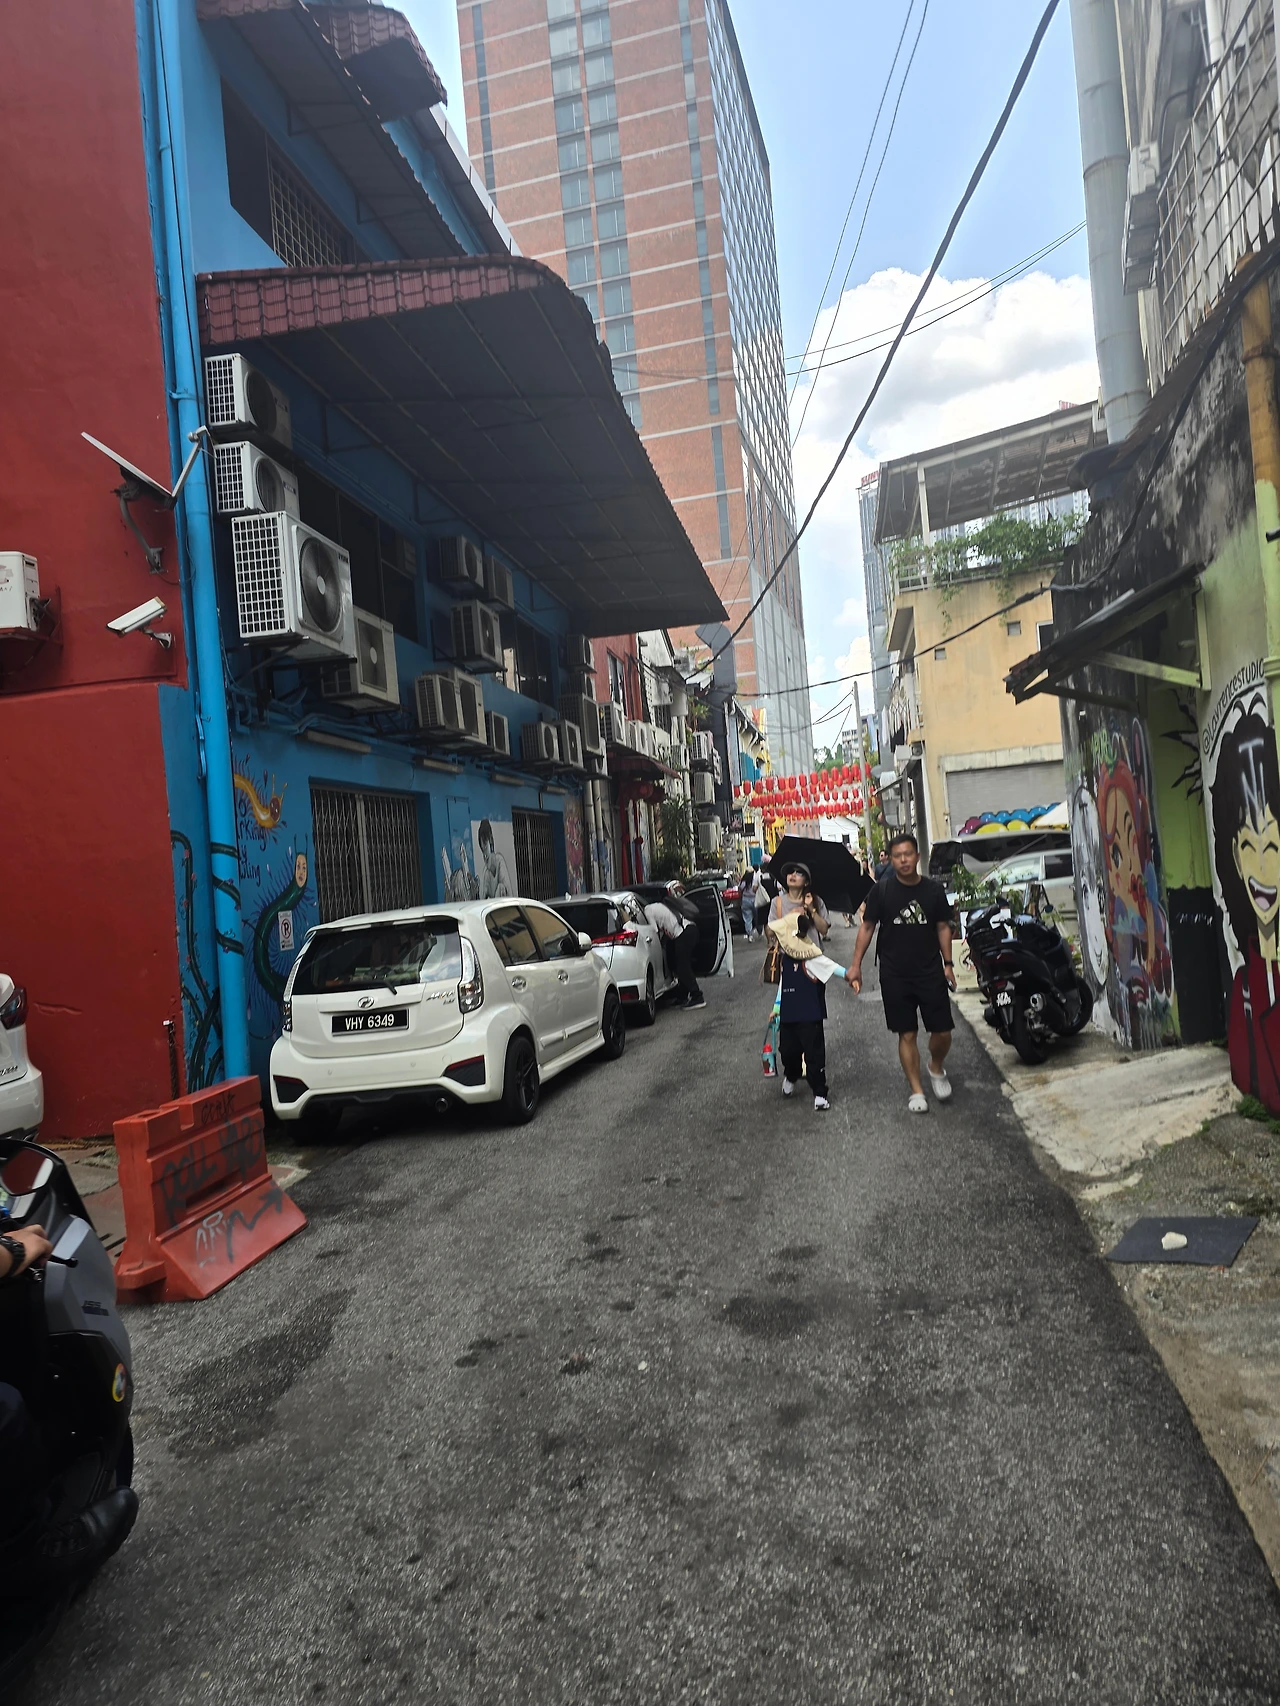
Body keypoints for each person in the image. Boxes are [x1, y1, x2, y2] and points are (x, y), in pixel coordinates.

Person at [848, 831, 957, 1114]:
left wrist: (948, 964)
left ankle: (936, 1066)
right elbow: (867, 927)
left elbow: (943, 926)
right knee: (906, 1033)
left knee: (942, 1031)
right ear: (891, 860)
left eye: (908, 854)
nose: (903, 860)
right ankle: (917, 1090)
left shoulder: (933, 891)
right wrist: (856, 965)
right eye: (897, 856)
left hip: (930, 970)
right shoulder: (882, 891)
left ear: (917, 856)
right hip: (894, 973)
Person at [768, 907, 839, 1110]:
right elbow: (783, 986)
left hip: (810, 1016)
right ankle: (792, 1074)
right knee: (787, 1052)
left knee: (814, 1055)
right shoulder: (785, 960)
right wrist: (776, 1007)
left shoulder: (813, 958)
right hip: (788, 1015)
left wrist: (850, 975)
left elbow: (833, 967)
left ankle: (820, 1093)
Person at [644, 894, 706, 1009]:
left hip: (684, 933)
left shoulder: (647, 910)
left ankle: (697, 996)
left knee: (682, 966)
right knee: (678, 964)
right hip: (690, 930)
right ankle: (682, 996)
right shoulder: (659, 907)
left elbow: (654, 930)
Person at [753, 869, 775, 939]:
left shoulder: (758, 877)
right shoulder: (773, 876)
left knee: (765, 922)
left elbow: (754, 889)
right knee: (774, 920)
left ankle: (769, 940)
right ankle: (775, 938)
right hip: (773, 901)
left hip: (763, 902)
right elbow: (779, 888)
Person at [739, 867, 758, 940]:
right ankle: (760, 931)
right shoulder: (755, 880)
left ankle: (749, 935)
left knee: (747, 919)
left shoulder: (743, 882)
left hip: (745, 900)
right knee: (758, 917)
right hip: (755, 899)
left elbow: (740, 890)